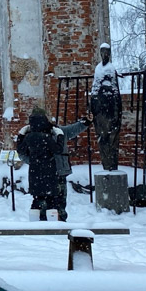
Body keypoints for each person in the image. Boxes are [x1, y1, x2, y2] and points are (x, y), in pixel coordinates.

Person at [15, 108, 60, 221]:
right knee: (51, 200)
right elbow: (58, 149)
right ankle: (52, 223)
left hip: (34, 171)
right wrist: (60, 136)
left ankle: (33, 223)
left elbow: (21, 150)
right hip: (49, 171)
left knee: (36, 199)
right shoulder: (47, 137)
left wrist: (21, 135)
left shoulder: (29, 137)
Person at [90, 43, 123, 172]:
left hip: (111, 108)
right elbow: (95, 88)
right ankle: (107, 164)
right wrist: (94, 105)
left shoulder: (111, 69)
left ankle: (112, 165)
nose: (105, 55)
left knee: (113, 138)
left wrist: (116, 108)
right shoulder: (98, 69)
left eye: (107, 53)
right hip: (101, 109)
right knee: (103, 139)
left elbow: (115, 90)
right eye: (103, 52)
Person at [51, 114, 91, 221]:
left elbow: (74, 129)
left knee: (58, 197)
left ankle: (57, 217)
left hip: (57, 170)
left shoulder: (59, 131)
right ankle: (54, 217)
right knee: (56, 197)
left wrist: (85, 122)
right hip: (54, 170)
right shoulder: (55, 132)